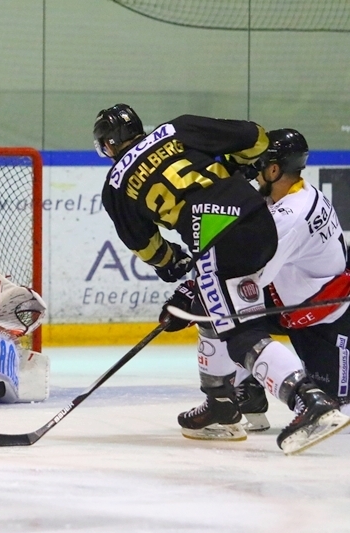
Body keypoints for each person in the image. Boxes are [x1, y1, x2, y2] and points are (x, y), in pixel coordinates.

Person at [93, 104, 349, 454]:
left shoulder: (116, 185)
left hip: (216, 237)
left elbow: (145, 244)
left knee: (241, 334)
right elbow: (256, 137)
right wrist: (231, 166)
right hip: (257, 217)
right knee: (214, 314)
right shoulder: (176, 129)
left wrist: (174, 268)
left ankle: (308, 400)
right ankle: (222, 405)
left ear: (108, 146)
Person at [168, 129, 350, 434]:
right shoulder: (292, 196)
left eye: (257, 166)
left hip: (323, 316)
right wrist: (196, 290)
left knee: (337, 412)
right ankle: (237, 397)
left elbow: (248, 274)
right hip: (291, 301)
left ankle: (254, 392)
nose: (252, 174)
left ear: (274, 169)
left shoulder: (288, 217)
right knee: (219, 311)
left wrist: (193, 289)